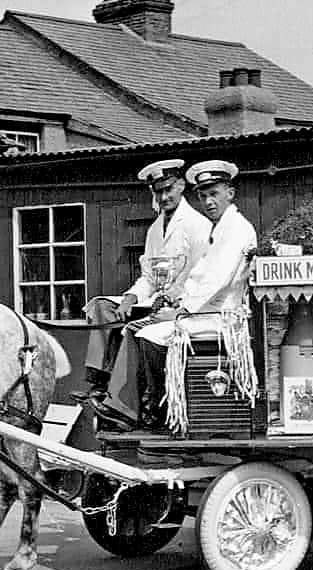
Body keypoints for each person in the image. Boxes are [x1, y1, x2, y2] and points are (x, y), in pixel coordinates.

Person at [92, 160, 255, 430]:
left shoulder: (229, 228)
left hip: (218, 315)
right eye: (203, 196)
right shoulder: (214, 227)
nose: (208, 202)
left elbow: (212, 280)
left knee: (146, 334)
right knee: (109, 313)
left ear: (230, 193)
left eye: (214, 194)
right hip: (196, 308)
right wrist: (143, 298)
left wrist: (180, 308)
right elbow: (174, 276)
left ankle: (157, 408)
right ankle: (118, 394)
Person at [75, 158, 210, 418]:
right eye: (158, 191)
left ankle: (120, 404)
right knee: (103, 307)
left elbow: (198, 278)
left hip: (178, 307)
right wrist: (129, 298)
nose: (164, 196)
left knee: (131, 330)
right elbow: (148, 277)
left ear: (181, 185)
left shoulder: (197, 226)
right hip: (152, 301)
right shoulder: (155, 230)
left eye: (168, 189)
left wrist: (172, 301)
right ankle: (98, 382)